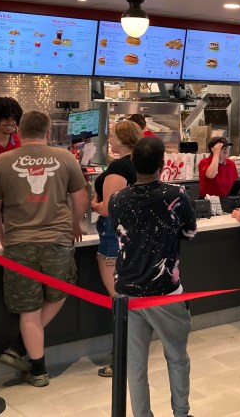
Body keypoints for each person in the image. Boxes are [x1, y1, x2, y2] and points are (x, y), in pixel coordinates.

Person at [0, 110, 88, 387]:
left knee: (28, 311)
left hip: (19, 244)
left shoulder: (2, 162)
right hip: (58, 241)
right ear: (49, 131)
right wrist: (75, 224)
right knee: (63, 289)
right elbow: (81, 199)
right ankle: (18, 348)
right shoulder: (66, 158)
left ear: (19, 132)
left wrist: (3, 236)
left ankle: (37, 370)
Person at [109, 136, 197, 417]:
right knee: (177, 358)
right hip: (166, 292)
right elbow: (190, 231)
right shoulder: (176, 194)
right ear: (162, 164)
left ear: (133, 162)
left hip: (127, 293)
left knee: (134, 365)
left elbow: (119, 233)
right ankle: (180, 413)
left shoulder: (117, 199)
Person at [89, 119, 142, 378]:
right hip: (134, 237)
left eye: (111, 135)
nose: (109, 139)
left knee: (118, 300)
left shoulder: (119, 167)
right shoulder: (140, 164)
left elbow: (110, 207)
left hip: (112, 237)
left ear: (122, 139)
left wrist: (93, 203)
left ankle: (121, 358)